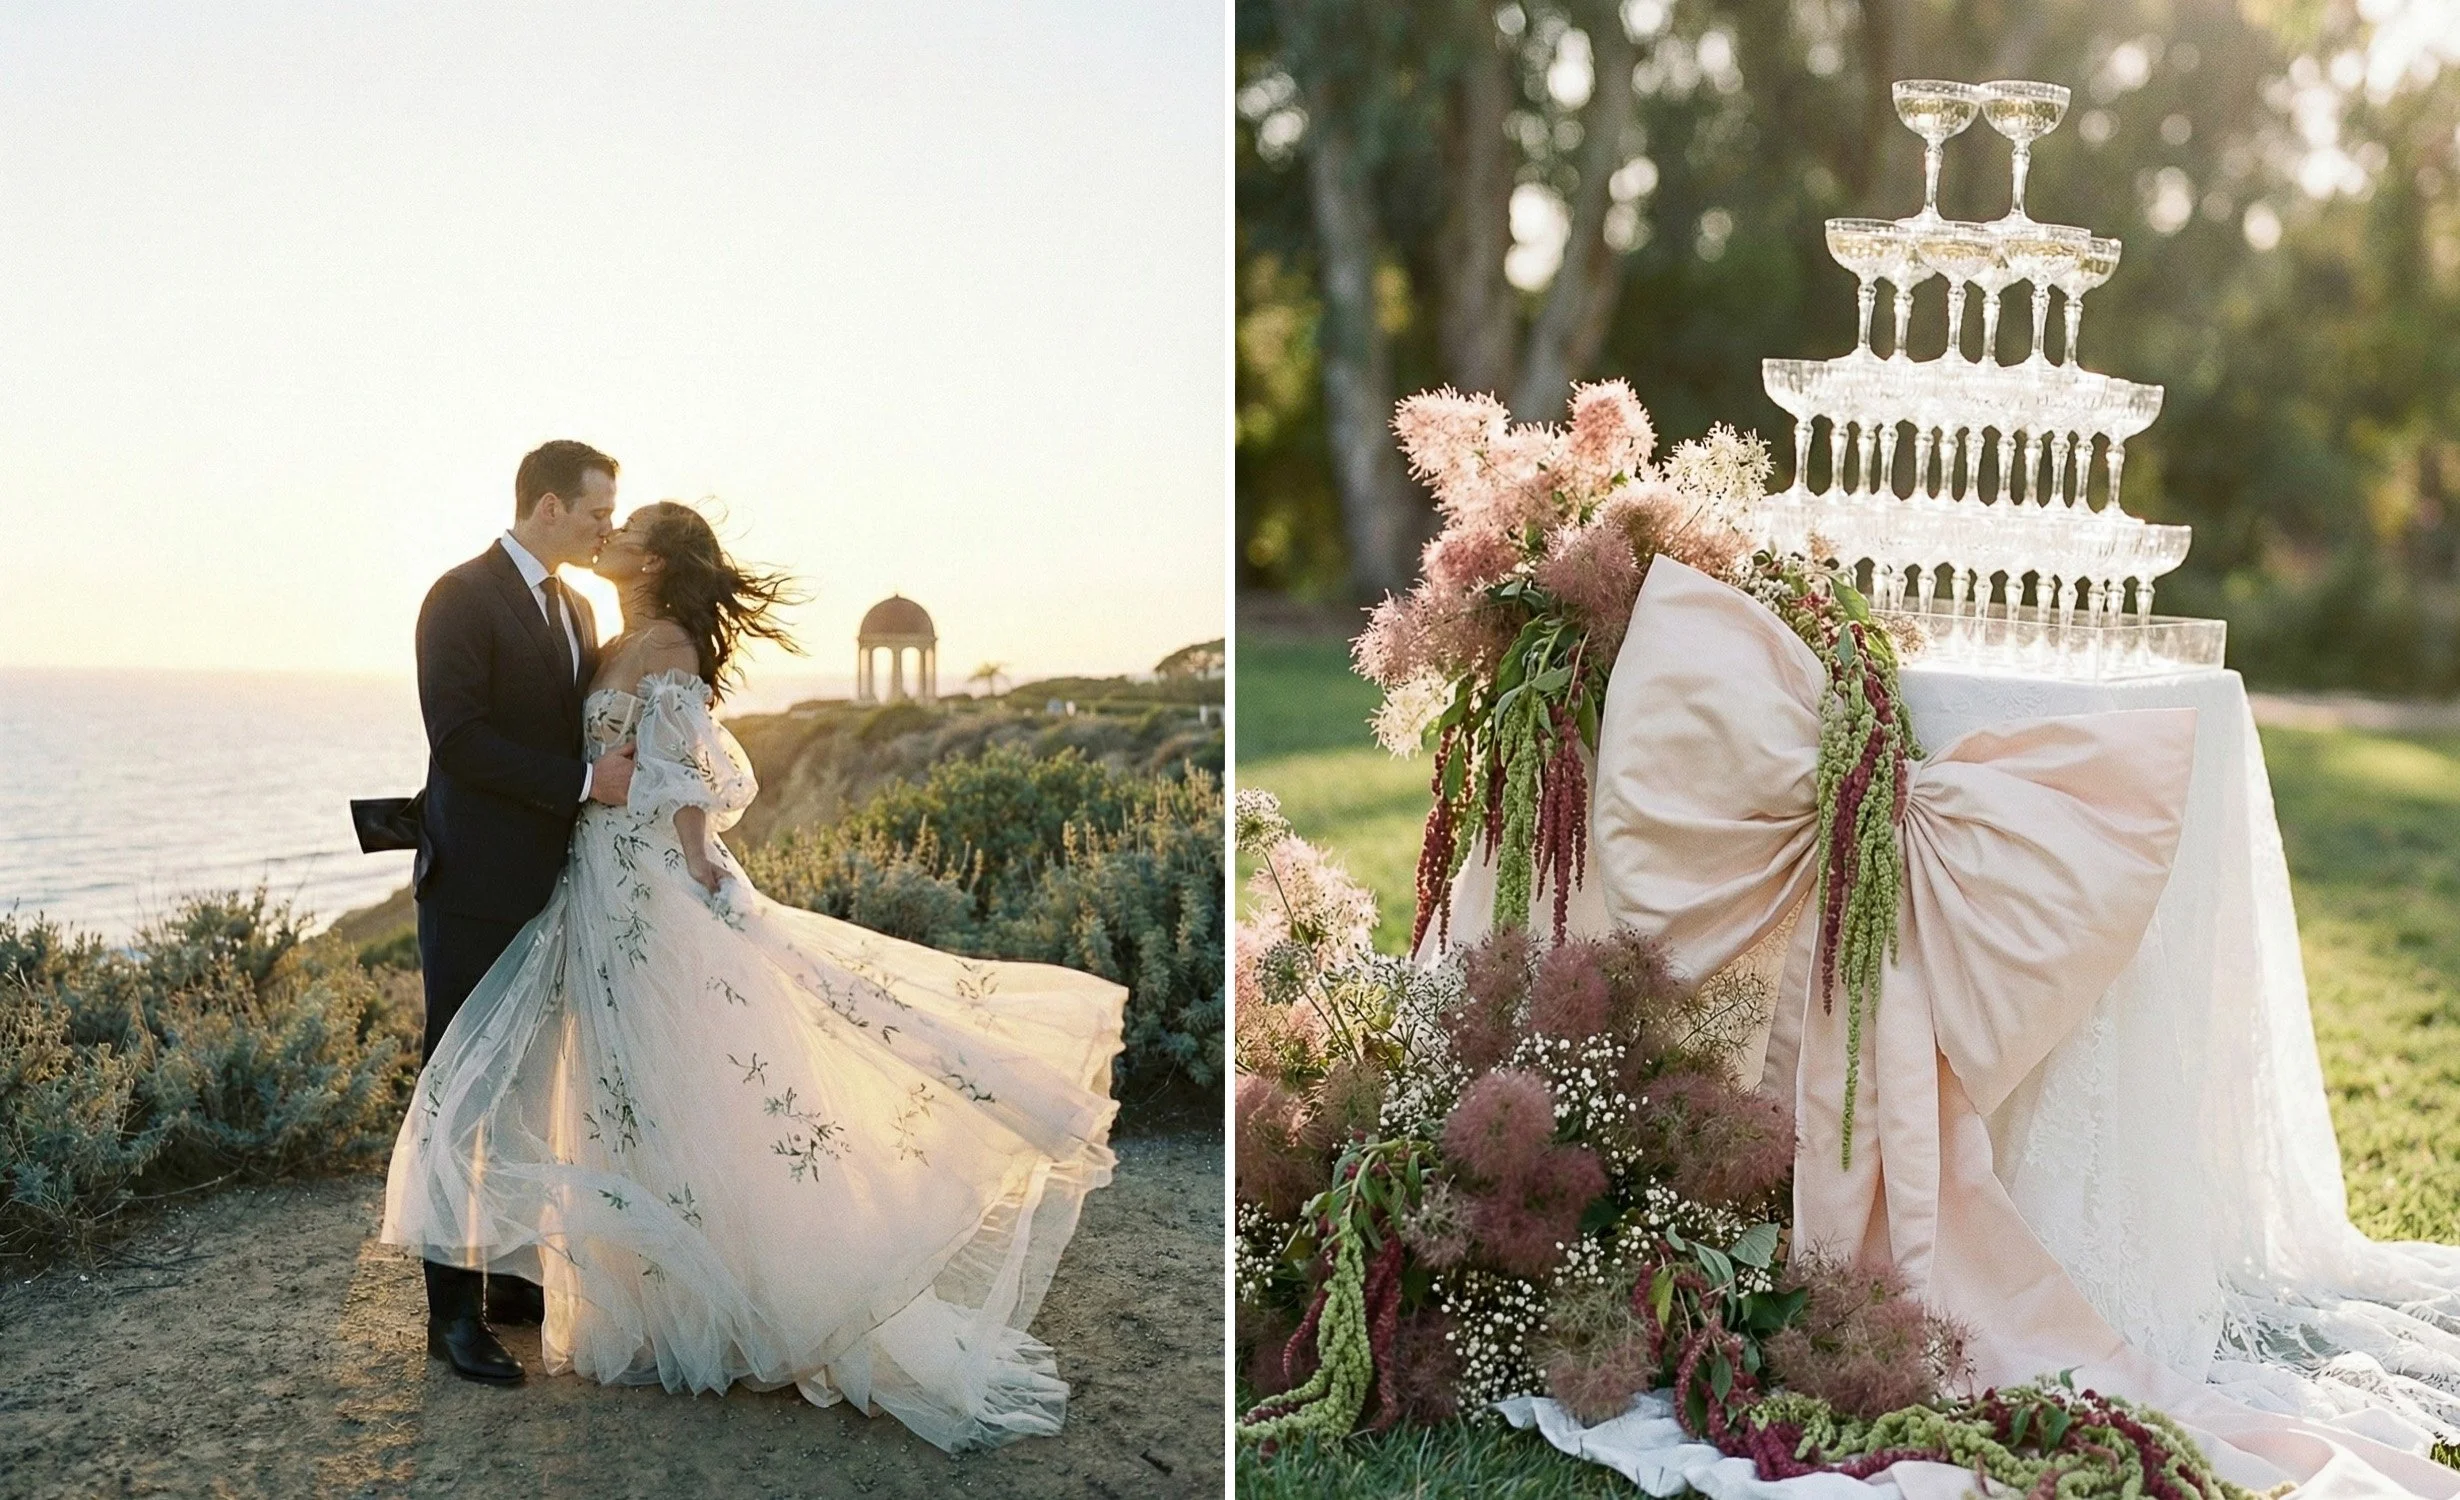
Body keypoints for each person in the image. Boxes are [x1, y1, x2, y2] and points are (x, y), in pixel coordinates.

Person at [381, 499, 1126, 1453]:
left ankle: (719, 1296)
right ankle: (612, 1290)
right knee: (619, 1082)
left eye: (626, 528)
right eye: (603, 517)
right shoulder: (600, 629)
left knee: (671, 1078)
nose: (610, 535)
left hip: (645, 880)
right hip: (591, 881)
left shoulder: (667, 646)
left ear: (657, 560)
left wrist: (696, 857)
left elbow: (689, 767)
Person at [406, 439, 635, 1383]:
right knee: (460, 1091)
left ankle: (507, 1277)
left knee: (527, 1087)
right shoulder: (459, 597)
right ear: (548, 508)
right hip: (473, 888)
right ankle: (450, 1316)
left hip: (553, 889)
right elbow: (459, 741)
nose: (606, 528)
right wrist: (584, 782)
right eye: (596, 513)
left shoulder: (579, 608)